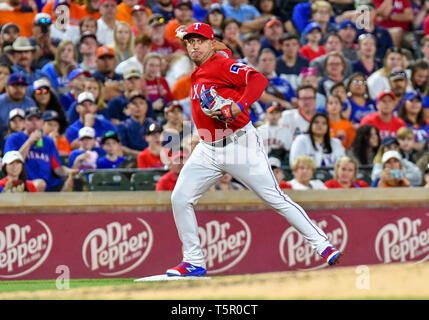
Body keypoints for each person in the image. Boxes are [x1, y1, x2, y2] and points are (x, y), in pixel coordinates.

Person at [165, 22, 343, 277]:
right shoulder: (204, 66)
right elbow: (187, 39)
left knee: (275, 198)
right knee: (180, 198)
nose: (194, 45)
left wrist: (238, 106)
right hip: (207, 148)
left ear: (211, 43)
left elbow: (259, 79)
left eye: (200, 41)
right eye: (190, 42)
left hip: (240, 144)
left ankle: (323, 245)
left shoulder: (222, 64)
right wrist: (185, 33)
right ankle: (193, 261)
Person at [4, 107, 76, 191]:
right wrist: (30, 141)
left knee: (74, 181)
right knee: (40, 184)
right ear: (24, 122)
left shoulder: (48, 141)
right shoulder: (14, 138)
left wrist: (71, 172)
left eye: (37, 119)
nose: (34, 123)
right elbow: (13, 163)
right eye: (30, 120)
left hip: (50, 184)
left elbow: (57, 168)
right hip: (25, 184)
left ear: (42, 122)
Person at [116, 92, 157, 156]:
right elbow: (122, 147)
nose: (138, 106)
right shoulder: (122, 126)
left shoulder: (154, 125)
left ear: (146, 106)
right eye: (134, 103)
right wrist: (142, 155)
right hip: (132, 161)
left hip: (152, 159)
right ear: (128, 107)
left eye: (141, 103)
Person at [0, 73, 35, 137]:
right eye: (15, 85)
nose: (19, 89)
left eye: (22, 86)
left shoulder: (30, 103)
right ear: (6, 88)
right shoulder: (1, 102)